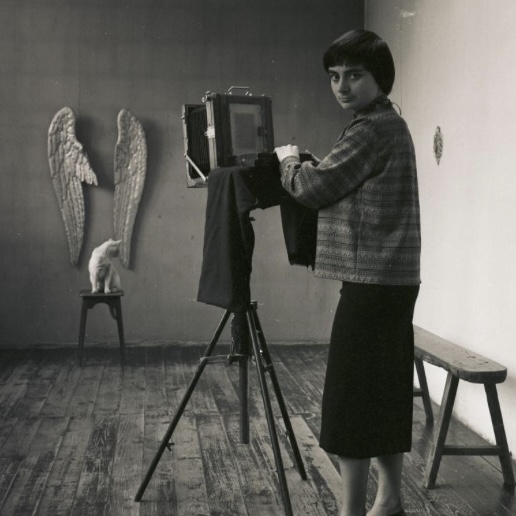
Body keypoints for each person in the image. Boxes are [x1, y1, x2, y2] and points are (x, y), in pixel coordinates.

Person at [275, 29, 421, 516]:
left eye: (354, 75)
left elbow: (313, 189)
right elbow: (348, 181)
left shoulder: (370, 128)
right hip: (393, 281)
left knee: (348, 402)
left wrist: (289, 161)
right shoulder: (387, 123)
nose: (341, 86)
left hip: (372, 283)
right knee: (383, 392)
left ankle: (351, 512)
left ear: (380, 78)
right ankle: (391, 497)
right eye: (334, 76)